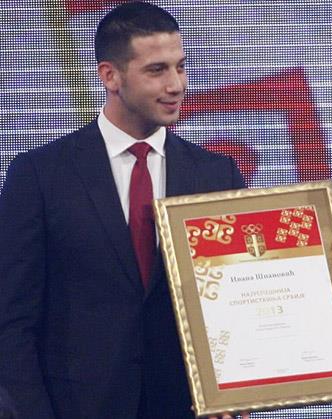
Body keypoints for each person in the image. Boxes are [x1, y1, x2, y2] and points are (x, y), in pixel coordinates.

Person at [0, 2, 248, 419]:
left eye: (181, 67)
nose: (176, 85)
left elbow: (239, 302)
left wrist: (242, 386)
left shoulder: (216, 174)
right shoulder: (40, 175)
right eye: (157, 70)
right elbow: (11, 320)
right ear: (110, 76)